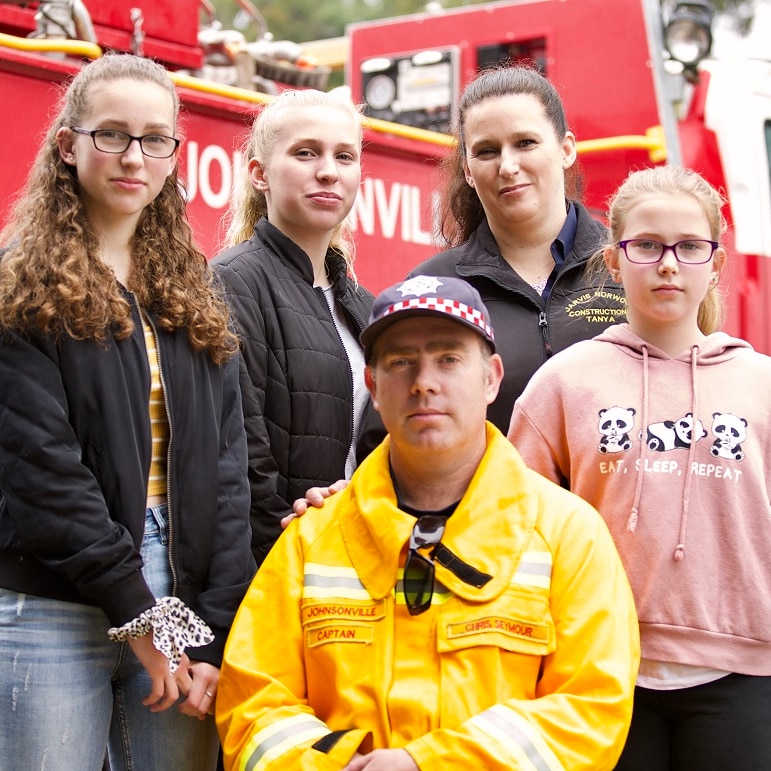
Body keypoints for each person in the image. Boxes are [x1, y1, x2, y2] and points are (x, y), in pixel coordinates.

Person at [216, 274, 640, 771]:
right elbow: (252, 706)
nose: (424, 382)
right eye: (401, 362)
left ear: (492, 378)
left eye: (448, 358)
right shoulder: (312, 539)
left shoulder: (570, 536)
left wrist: (427, 764)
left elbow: (593, 708)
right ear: (372, 386)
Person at [0, 54, 255, 771]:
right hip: (53, 603)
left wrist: (210, 630)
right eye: (111, 134)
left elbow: (227, 472)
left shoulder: (194, 287)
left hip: (184, 593)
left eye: (154, 139)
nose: (133, 156)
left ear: (175, 155)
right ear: (67, 144)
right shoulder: (17, 284)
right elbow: (41, 472)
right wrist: (139, 610)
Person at [507, 165, 771, 770]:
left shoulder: (762, 385)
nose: (669, 264)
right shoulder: (565, 382)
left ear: (716, 264)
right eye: (647, 246)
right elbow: (516, 525)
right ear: (614, 262)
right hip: (602, 671)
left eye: (689, 247)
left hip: (744, 671)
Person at [212, 88, 378, 566]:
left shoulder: (364, 305)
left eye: (344, 156)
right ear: (259, 173)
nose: (328, 170)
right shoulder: (233, 282)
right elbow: (241, 459)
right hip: (285, 568)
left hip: (359, 564)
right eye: (306, 153)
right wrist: (291, 560)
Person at [410, 65, 626, 431]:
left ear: (566, 149)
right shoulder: (432, 286)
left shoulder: (632, 265)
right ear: (467, 170)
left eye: (525, 143)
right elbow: (394, 434)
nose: (508, 166)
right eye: (487, 151)